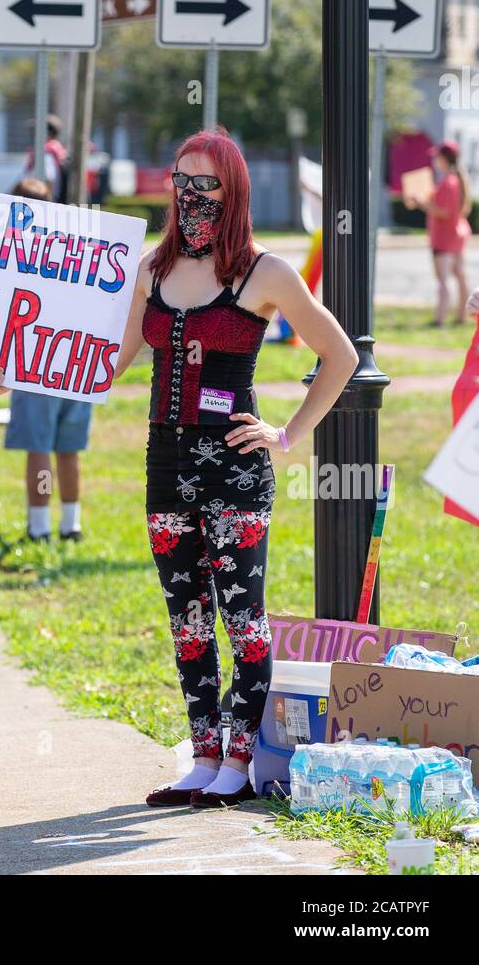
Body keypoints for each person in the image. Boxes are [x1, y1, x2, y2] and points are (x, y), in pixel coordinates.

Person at [111, 127, 358, 808]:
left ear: (234, 189)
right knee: (186, 618)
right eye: (181, 180)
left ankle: (240, 760)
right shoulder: (153, 270)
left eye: (206, 183)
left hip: (236, 470)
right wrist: (11, 376)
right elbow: (107, 366)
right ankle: (203, 756)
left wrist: (288, 432)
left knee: (241, 619)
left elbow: (341, 356)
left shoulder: (264, 271)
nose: (191, 194)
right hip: (166, 465)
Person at [2, 177, 92, 543]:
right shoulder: (74, 248)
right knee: (68, 448)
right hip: (76, 360)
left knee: (38, 448)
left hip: (35, 361)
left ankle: (38, 526)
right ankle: (71, 524)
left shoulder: (14, 253)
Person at [409, 141, 473, 326]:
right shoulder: (456, 179)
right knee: (459, 274)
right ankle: (462, 315)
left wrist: (420, 202)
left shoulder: (448, 181)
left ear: (444, 158)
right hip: (457, 232)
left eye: (437, 156)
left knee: (443, 278)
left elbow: (443, 211)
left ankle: (440, 318)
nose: (435, 159)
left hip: (445, 235)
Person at [25, 114, 69, 203]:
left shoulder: (46, 153)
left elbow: (49, 179)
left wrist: (45, 204)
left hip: (46, 204)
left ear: (48, 133)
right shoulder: (57, 148)